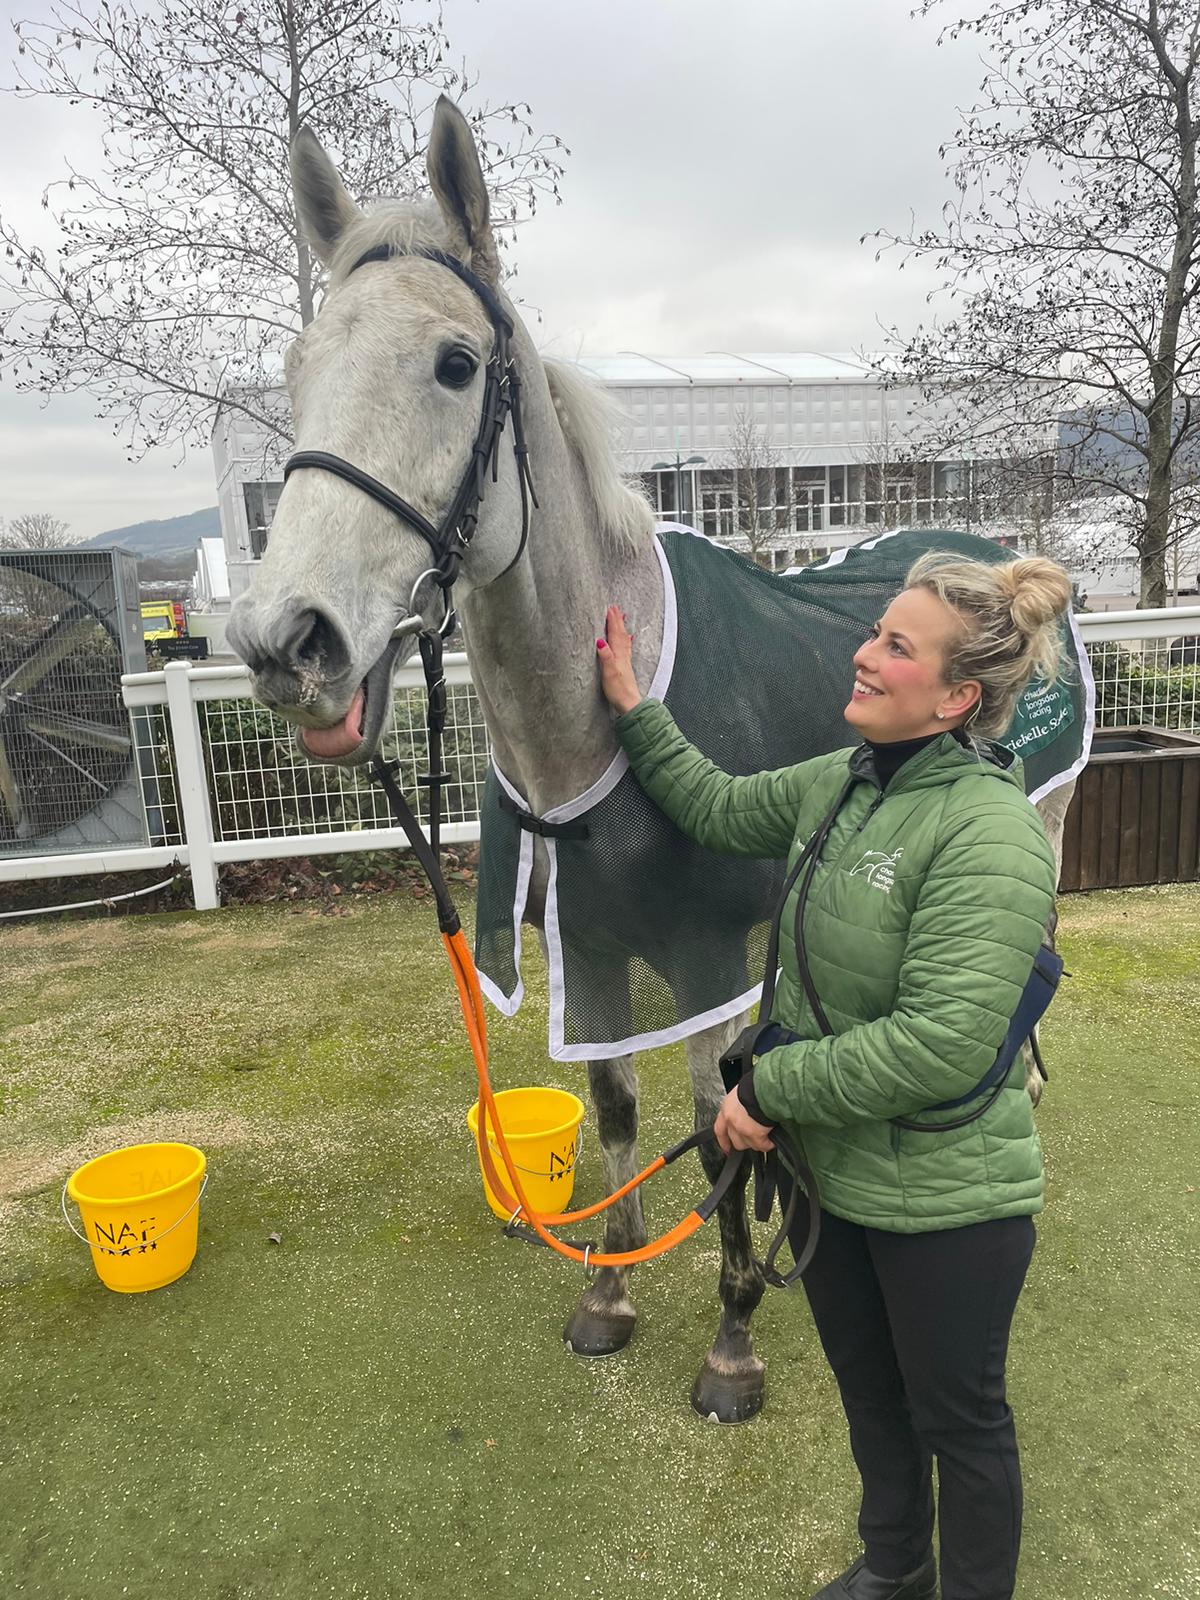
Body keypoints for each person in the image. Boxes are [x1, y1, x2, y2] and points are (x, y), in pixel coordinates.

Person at [596, 552, 1072, 1600]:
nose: (862, 651)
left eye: (896, 645)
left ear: (956, 698)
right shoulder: (838, 784)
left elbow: (941, 1042)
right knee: (873, 1398)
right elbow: (716, 807)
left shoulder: (987, 830)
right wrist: (632, 705)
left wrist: (767, 1090)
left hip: (951, 1201)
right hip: (838, 1182)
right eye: (876, 633)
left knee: (960, 1420)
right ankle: (896, 1567)